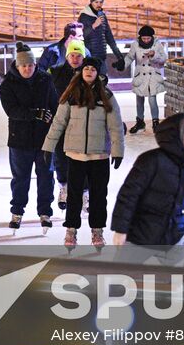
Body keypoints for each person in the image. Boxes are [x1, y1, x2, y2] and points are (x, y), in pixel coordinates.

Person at [42, 57, 126, 250]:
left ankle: (97, 230)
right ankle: (71, 229)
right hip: (76, 155)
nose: (89, 71)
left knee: (98, 196)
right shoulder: (71, 94)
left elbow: (115, 127)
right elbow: (58, 123)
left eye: (92, 69)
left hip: (99, 156)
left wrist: (117, 151)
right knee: (74, 196)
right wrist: (48, 146)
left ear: (98, 73)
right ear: (81, 72)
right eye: (86, 68)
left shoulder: (106, 96)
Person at [111, 113, 184, 249]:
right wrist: (121, 229)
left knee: (175, 271)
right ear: (175, 133)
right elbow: (128, 195)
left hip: (173, 239)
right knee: (126, 270)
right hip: (140, 236)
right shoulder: (151, 161)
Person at [0, 43, 59, 232]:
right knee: (20, 178)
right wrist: (35, 114)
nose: (27, 69)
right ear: (17, 66)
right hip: (20, 140)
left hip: (44, 139)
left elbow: (54, 105)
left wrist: (55, 128)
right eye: (24, 65)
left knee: (46, 176)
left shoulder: (45, 80)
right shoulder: (8, 84)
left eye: (30, 65)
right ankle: (17, 211)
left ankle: (45, 212)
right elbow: (12, 110)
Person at [49, 38, 93, 211]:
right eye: (72, 55)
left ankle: (85, 193)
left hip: (82, 123)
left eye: (78, 55)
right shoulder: (56, 73)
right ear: (67, 56)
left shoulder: (90, 73)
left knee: (84, 157)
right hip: (61, 121)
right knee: (60, 157)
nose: (75, 59)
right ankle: (64, 187)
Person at [124, 25, 167, 133]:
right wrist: (122, 65)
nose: (146, 40)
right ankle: (140, 122)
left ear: (152, 37)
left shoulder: (157, 44)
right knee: (139, 100)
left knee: (152, 100)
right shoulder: (135, 45)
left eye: (148, 38)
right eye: (144, 38)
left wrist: (154, 55)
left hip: (153, 76)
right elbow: (130, 57)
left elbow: (163, 59)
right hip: (140, 77)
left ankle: (155, 122)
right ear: (140, 38)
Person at [78, 0, 121, 74]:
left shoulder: (102, 16)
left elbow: (109, 36)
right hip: (89, 58)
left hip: (101, 57)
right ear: (91, 2)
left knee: (103, 82)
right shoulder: (84, 16)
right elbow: (80, 35)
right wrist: (93, 26)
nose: (99, 4)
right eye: (96, 2)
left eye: (101, 2)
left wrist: (118, 55)